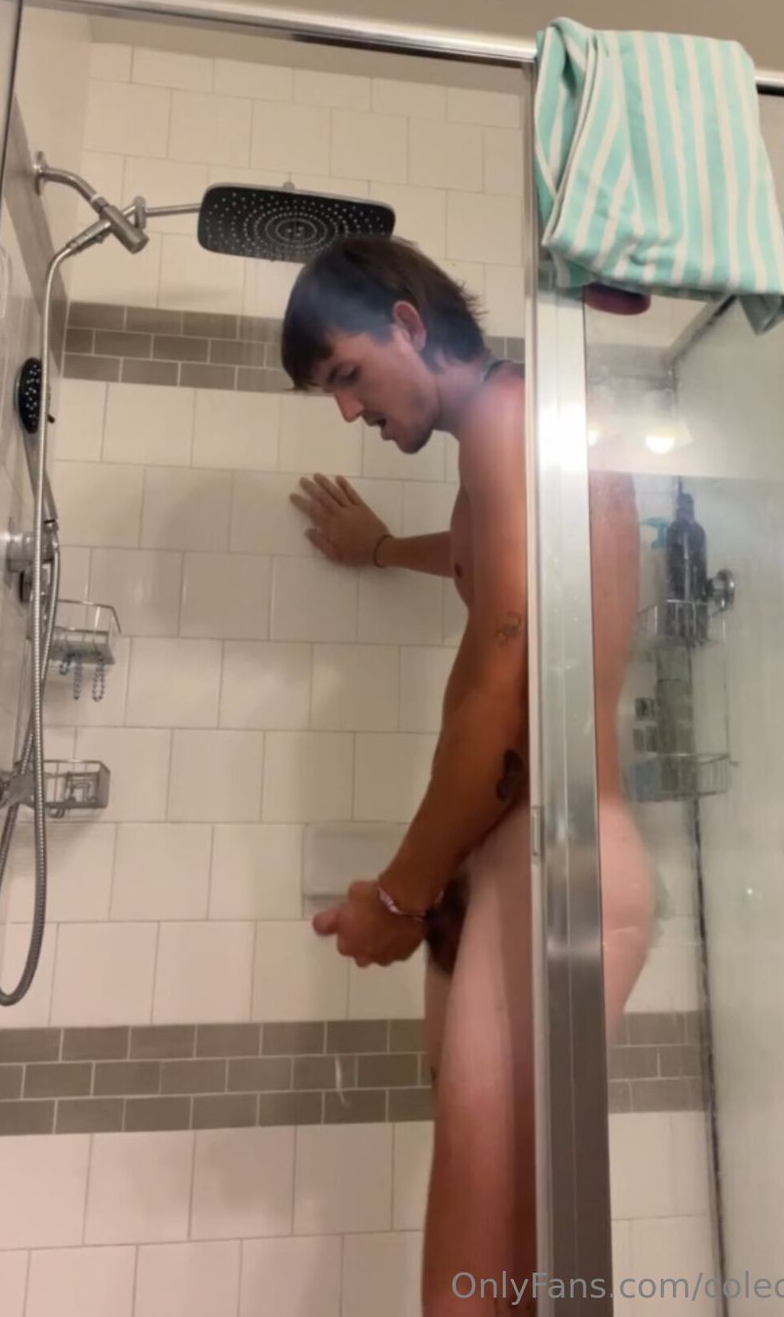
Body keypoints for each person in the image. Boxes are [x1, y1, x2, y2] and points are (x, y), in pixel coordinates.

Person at [282, 235, 654, 1317]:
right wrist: (380, 547)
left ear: (407, 324)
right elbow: (484, 561)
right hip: (521, 864)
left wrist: (400, 897)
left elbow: (504, 681)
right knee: (509, 1279)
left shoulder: (507, 418)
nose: (346, 411)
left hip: (555, 859)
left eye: (347, 374)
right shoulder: (511, 432)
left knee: (473, 1293)